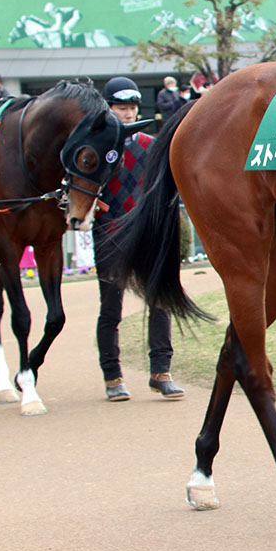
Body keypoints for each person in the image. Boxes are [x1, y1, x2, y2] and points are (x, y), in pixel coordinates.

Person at [95, 76, 185, 402]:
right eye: (122, 108)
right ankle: (112, 376)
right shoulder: (97, 147)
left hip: (147, 234)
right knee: (111, 310)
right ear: (109, 109)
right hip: (109, 232)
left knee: (160, 302)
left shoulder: (151, 145)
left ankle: (161, 372)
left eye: (132, 107)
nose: (129, 113)